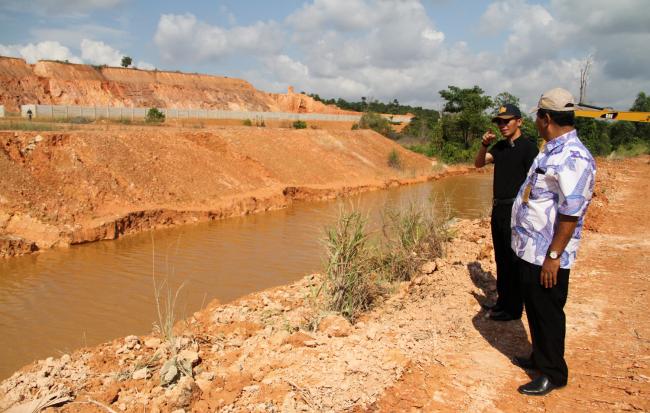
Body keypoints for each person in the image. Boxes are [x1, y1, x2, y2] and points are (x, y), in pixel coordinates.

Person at [510, 88, 596, 396]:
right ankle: (539, 356)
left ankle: (553, 373)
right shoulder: (552, 149)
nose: (535, 120)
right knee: (534, 307)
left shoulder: (574, 157)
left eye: (537, 116)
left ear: (546, 119)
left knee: (548, 311)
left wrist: (554, 256)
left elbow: (570, 214)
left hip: (547, 253)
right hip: (532, 249)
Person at [475, 103, 538, 321]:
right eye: (499, 122)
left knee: (514, 259)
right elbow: (479, 164)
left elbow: (535, 181)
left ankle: (513, 309)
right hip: (499, 208)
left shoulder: (529, 148)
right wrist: (484, 144)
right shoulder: (500, 148)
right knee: (501, 257)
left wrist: (527, 210)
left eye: (507, 121)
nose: (502, 125)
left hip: (517, 210)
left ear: (519, 121)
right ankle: (502, 302)